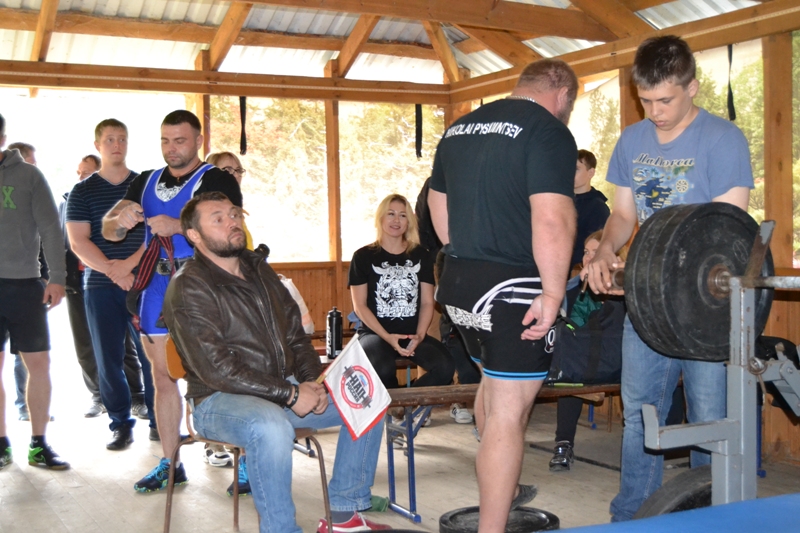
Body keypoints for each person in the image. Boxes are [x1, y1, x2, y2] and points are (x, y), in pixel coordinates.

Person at [585, 36, 754, 522]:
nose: (655, 112)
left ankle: (709, 518)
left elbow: (725, 230)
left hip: (704, 309)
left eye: (665, 101)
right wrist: (606, 248)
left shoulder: (723, 140)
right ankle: (631, 517)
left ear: (691, 88)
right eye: (646, 101)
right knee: (641, 413)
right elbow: (623, 215)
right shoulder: (632, 141)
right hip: (647, 304)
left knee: (708, 419)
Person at [163, 191, 389, 533]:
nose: (232, 222)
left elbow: (296, 335)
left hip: (278, 388)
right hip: (217, 399)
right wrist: (292, 395)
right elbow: (217, 369)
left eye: (234, 214)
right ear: (194, 235)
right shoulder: (188, 286)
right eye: (218, 219)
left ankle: (345, 513)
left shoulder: (258, 268)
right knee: (270, 426)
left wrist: (313, 382)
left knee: (366, 400)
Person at [428, 59, 579, 532]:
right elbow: (552, 219)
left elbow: (436, 203)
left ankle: (503, 487)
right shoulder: (548, 131)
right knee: (509, 416)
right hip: (512, 288)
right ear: (562, 94)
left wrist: (469, 252)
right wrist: (552, 292)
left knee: (492, 391)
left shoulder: (460, 127)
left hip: (459, 282)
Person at [102, 110, 242, 492]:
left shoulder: (215, 179)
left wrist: (178, 225)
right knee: (162, 377)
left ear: (198, 141)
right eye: (165, 141)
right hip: (157, 285)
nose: (171, 148)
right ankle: (170, 462)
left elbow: (231, 230)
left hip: (203, 284)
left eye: (179, 141)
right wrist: (121, 220)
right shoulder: (146, 180)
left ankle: (243, 458)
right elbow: (109, 230)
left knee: (223, 372)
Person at [66, 119, 156, 450]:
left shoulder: (145, 185)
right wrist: (111, 270)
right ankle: (120, 424)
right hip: (99, 286)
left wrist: (129, 267)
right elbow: (78, 241)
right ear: (97, 145)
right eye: (109, 139)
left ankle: (159, 421)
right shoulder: (83, 191)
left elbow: (156, 235)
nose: (116, 145)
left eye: (122, 139)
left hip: (143, 282)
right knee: (108, 359)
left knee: (152, 357)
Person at [0, 113, 69, 470]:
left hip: (25, 285)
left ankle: (39, 444)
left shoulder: (29, 176)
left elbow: (51, 228)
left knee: (39, 365)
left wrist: (57, 276)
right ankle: (1, 444)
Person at [348, 194, 455, 398]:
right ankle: (394, 405)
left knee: (445, 366)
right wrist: (387, 337)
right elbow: (360, 306)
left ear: (409, 221)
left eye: (402, 215)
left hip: (411, 334)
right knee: (382, 367)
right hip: (375, 334)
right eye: (391, 214)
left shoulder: (421, 255)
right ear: (381, 218)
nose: (396, 220)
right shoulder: (362, 257)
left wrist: (420, 335)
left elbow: (427, 302)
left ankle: (404, 404)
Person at [550, 150, 610, 471]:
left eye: (575, 168)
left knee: (572, 364)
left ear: (590, 172)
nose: (588, 256)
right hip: (580, 355)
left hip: (608, 355)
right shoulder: (558, 200)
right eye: (586, 252)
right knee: (570, 361)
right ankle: (563, 443)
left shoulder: (598, 208)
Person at [416, 178, 479, 425]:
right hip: (437, 264)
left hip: (468, 265)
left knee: (463, 335)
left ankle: (459, 400)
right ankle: (424, 406)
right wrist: (434, 261)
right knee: (430, 333)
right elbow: (423, 225)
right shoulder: (433, 184)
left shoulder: (473, 182)